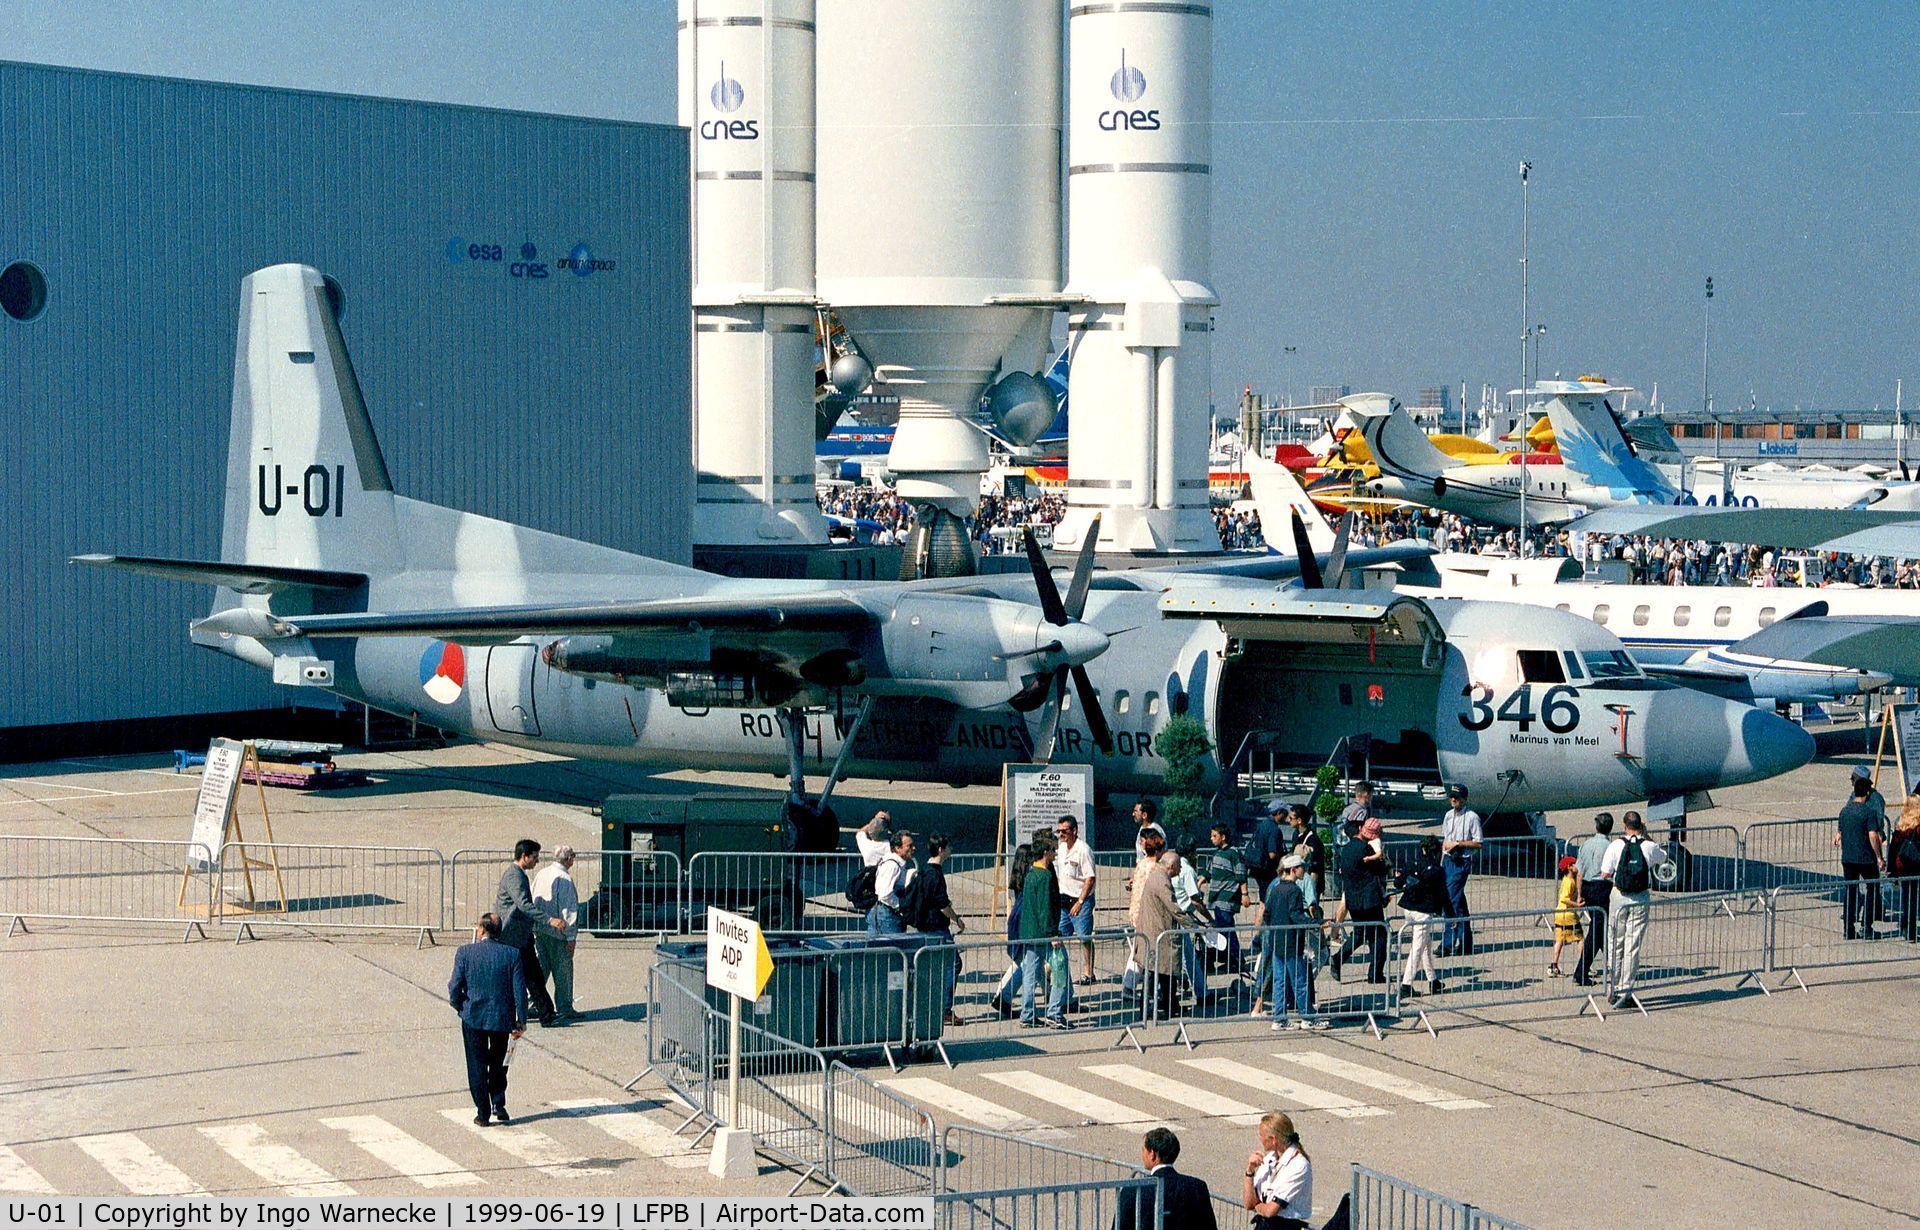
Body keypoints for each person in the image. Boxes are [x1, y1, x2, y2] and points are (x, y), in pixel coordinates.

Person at [447, 912, 526, 1126]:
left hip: (473, 1016)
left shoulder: (465, 952)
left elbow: (454, 986)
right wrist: (522, 1020)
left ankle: (483, 1112)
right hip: (502, 1017)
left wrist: (459, 1005)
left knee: (476, 1065)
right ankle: (498, 1103)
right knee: (499, 1062)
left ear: (481, 929)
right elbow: (520, 991)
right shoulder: (512, 954)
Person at [1600, 812, 1668, 1007]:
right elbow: (1662, 857)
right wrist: (1646, 836)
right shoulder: (1647, 846)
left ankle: (1611, 986)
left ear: (1624, 826)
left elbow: (1605, 873)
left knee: (1615, 941)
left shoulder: (1616, 845)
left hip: (1619, 896)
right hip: (1640, 897)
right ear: (1641, 825)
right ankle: (1625, 990)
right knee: (1632, 944)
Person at [495, 839, 564, 1026]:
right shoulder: (514, 876)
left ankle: (544, 1012)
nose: (537, 861)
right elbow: (523, 905)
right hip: (513, 936)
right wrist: (550, 920)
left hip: (519, 935)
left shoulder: (517, 874)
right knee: (530, 976)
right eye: (534, 857)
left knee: (531, 976)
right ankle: (544, 1013)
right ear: (524, 856)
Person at [1115, 1127, 1217, 1230]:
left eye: (1143, 1150)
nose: (1142, 1155)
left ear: (1152, 1154)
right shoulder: (1196, 1187)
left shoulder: (1133, 1190)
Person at [912, 833, 965, 1025]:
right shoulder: (935, 874)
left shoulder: (924, 870)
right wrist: (956, 918)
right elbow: (942, 904)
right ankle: (944, 1008)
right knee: (953, 964)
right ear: (941, 850)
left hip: (924, 925)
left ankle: (929, 1007)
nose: (951, 850)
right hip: (936, 927)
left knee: (930, 967)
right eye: (948, 847)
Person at [1262, 855, 1321, 1030]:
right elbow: (1296, 915)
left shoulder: (1276, 888)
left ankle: (1279, 1018)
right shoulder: (1294, 890)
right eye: (1301, 867)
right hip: (1291, 941)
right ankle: (1308, 1017)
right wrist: (1315, 923)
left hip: (1277, 940)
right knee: (1299, 980)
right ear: (1293, 869)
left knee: (1279, 981)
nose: (1305, 870)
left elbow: (1267, 914)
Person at [1018, 833, 1070, 1028]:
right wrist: (1053, 934)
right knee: (1060, 969)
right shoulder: (1046, 877)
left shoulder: (1031, 874)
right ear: (1045, 852)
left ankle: (1027, 1013)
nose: (1056, 854)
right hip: (1044, 932)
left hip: (1029, 931)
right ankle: (1055, 1011)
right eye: (1054, 850)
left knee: (1030, 973)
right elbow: (1046, 909)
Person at [1332, 818, 1389, 984]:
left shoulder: (1347, 849)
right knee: (1379, 935)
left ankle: (1338, 958)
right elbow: (1382, 869)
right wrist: (1381, 856)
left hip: (1353, 899)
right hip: (1369, 900)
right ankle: (1375, 973)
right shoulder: (1366, 849)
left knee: (1359, 934)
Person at [1128, 831, 1178, 1018]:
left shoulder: (1141, 865)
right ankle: (1159, 1004)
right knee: (1154, 966)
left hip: (1141, 916)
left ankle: (1167, 1002)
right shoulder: (1156, 869)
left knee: (1151, 966)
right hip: (1153, 918)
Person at [529, 845, 580, 1024]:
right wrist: (571, 936)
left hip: (541, 928)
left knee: (541, 968)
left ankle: (534, 1002)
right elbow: (568, 909)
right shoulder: (564, 878)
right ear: (568, 859)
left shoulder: (542, 873)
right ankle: (565, 1007)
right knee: (563, 971)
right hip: (559, 931)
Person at [1394, 836, 1448, 997]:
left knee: (1425, 945)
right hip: (1423, 912)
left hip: (1408, 908)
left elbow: (1397, 883)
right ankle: (1406, 984)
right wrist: (1450, 915)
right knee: (1417, 948)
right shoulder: (1437, 870)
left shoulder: (1412, 863)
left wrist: (1400, 877)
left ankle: (1433, 980)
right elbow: (1443, 894)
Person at [1834, 777, 1886, 940]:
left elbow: (1839, 833)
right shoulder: (1868, 813)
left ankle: (1848, 929)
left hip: (1848, 858)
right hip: (1865, 858)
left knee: (1850, 891)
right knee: (1871, 890)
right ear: (1867, 793)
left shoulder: (1845, 810)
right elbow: (1873, 836)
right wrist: (1879, 857)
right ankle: (1867, 927)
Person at [1242, 1111, 1312, 1230]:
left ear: (1273, 1139)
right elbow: (1249, 1203)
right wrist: (1250, 1171)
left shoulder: (1299, 1166)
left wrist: (1258, 1205)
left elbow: (1271, 1210)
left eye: (1261, 1135)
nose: (1260, 1138)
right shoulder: (1269, 1159)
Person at [1198, 823, 1250, 975]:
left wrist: (1245, 894)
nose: (1211, 838)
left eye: (1214, 836)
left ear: (1223, 837)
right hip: (1217, 896)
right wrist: (1199, 882)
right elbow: (1209, 872)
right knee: (1222, 927)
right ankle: (1228, 958)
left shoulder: (1233, 853)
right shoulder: (1217, 853)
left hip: (1227, 896)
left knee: (1226, 927)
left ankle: (1236, 959)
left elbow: (1241, 875)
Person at [1054, 815, 1098, 990]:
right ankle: (1058, 971)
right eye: (1059, 831)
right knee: (1058, 936)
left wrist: (1080, 902)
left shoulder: (1083, 850)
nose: (1061, 834)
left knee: (1084, 937)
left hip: (1080, 900)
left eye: (1064, 831)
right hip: (1063, 899)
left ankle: (1089, 972)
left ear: (1074, 831)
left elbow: (1090, 878)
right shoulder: (1061, 847)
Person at [1570, 813, 1614, 987]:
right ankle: (1581, 972)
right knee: (1596, 931)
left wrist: (1580, 894)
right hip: (1602, 888)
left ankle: (1613, 965)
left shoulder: (1586, 844)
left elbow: (1579, 873)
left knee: (1600, 928)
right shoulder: (1610, 847)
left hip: (1588, 888)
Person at [1162, 848, 1211, 1006]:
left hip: (1172, 917)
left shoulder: (1169, 868)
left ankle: (1194, 989)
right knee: (1188, 957)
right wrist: (1209, 918)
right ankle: (1201, 992)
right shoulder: (1187, 870)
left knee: (1180, 957)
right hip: (1182, 917)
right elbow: (1195, 900)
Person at [991, 842, 1034, 1016]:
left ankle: (1002, 995)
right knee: (1026, 960)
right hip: (1024, 918)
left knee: (1023, 959)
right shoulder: (1030, 876)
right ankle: (1004, 996)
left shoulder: (1017, 875)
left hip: (1016, 917)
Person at [1439, 783, 1482, 956]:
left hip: (1461, 860)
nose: (1453, 800)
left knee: (1451, 901)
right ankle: (1466, 942)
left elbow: (1478, 842)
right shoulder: (1448, 816)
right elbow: (1445, 839)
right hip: (1448, 860)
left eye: (1457, 797)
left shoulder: (1472, 817)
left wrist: (1459, 843)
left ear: (1464, 799)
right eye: (1452, 797)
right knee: (1458, 902)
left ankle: (1447, 943)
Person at [867, 830, 915, 937]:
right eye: (909, 846)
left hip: (887, 913)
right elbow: (885, 894)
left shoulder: (898, 864)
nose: (913, 848)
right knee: (891, 949)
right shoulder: (892, 866)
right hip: (886, 915)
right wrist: (900, 906)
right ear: (898, 848)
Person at [1888, 800, 1920, 942]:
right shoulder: (1918, 826)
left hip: (1902, 865)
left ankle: (1905, 926)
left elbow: (1893, 848)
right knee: (1913, 899)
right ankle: (1910, 930)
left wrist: (1891, 870)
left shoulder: (1900, 823)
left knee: (1906, 897)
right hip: (1916, 864)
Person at [1549, 855, 1582, 977]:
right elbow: (1564, 899)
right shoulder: (1569, 882)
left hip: (1559, 913)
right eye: (1575, 864)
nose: (1577, 866)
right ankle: (1582, 965)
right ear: (1569, 867)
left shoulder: (1566, 879)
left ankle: (1553, 965)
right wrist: (1577, 905)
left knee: (1559, 940)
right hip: (1567, 914)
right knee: (1580, 938)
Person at [1285, 805, 1327, 899]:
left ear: (1299, 820)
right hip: (1299, 881)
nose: (1288, 820)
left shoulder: (1313, 840)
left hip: (1308, 884)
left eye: (1291, 818)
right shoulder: (1296, 835)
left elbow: (1315, 868)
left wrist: (1311, 892)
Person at [1247, 800, 1285, 898]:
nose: (1285, 816)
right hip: (1268, 870)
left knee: (1263, 899)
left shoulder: (1262, 825)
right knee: (1269, 899)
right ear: (1278, 812)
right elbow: (1272, 854)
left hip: (1257, 867)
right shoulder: (1274, 829)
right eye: (1283, 813)